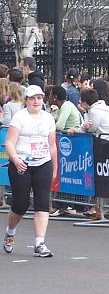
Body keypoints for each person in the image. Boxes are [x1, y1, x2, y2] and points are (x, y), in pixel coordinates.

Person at [3, 85, 58, 258]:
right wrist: (15, 158)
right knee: (21, 204)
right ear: (26, 100)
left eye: (39, 98)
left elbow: (52, 145)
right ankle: (10, 232)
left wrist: (54, 168)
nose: (36, 101)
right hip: (22, 164)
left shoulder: (48, 118)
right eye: (32, 98)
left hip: (43, 163)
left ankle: (39, 243)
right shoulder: (20, 117)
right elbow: (10, 142)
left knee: (42, 203)